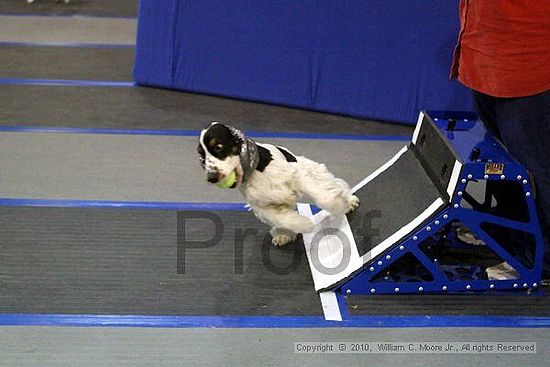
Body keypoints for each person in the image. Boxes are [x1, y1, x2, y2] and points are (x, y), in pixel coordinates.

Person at [450, 0, 550, 280]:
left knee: (541, 165)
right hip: (487, 48)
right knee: (510, 157)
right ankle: (511, 234)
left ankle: (542, 260)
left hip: (532, 59)